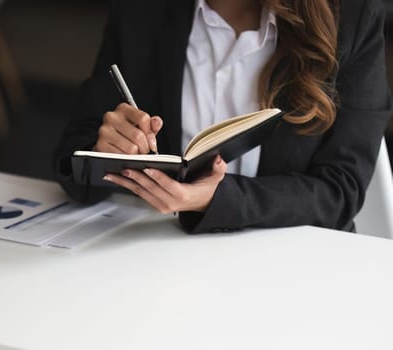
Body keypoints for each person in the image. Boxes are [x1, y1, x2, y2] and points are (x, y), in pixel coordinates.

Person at [53, 0, 392, 233]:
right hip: (162, 258)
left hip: (293, 266)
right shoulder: (143, 9)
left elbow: (340, 190)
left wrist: (216, 200)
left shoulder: (351, 14)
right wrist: (106, 151)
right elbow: (73, 160)